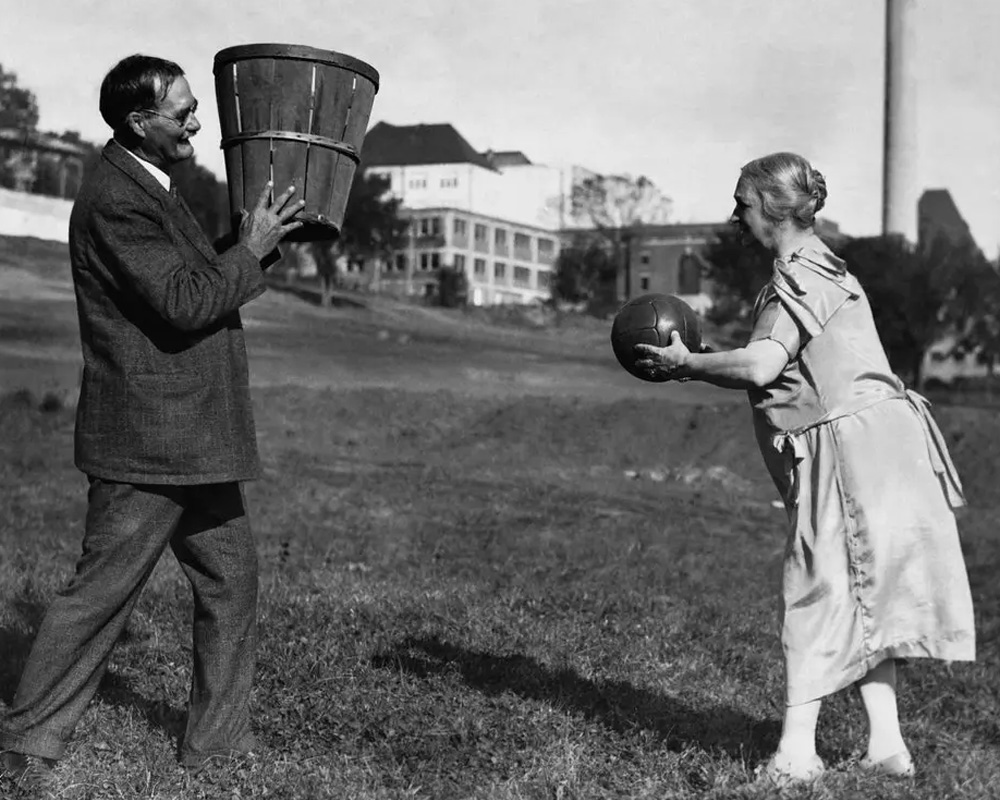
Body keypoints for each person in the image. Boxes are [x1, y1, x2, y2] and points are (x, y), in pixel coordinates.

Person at [0, 53, 304, 778]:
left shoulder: (154, 186)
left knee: (232, 582)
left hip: (193, 436)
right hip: (149, 438)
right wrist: (251, 252)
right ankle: (27, 743)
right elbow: (185, 303)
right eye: (183, 111)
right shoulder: (116, 198)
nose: (198, 120)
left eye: (196, 105)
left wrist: (256, 246)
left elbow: (195, 281)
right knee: (102, 592)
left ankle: (216, 748)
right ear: (140, 122)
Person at [634, 152, 975, 786]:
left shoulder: (801, 274)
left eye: (741, 201)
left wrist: (685, 364)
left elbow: (763, 366)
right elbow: (777, 367)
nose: (735, 214)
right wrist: (709, 360)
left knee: (815, 589)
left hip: (852, 450)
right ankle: (887, 747)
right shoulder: (826, 267)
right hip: (879, 443)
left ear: (770, 205)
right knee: (865, 591)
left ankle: (796, 756)